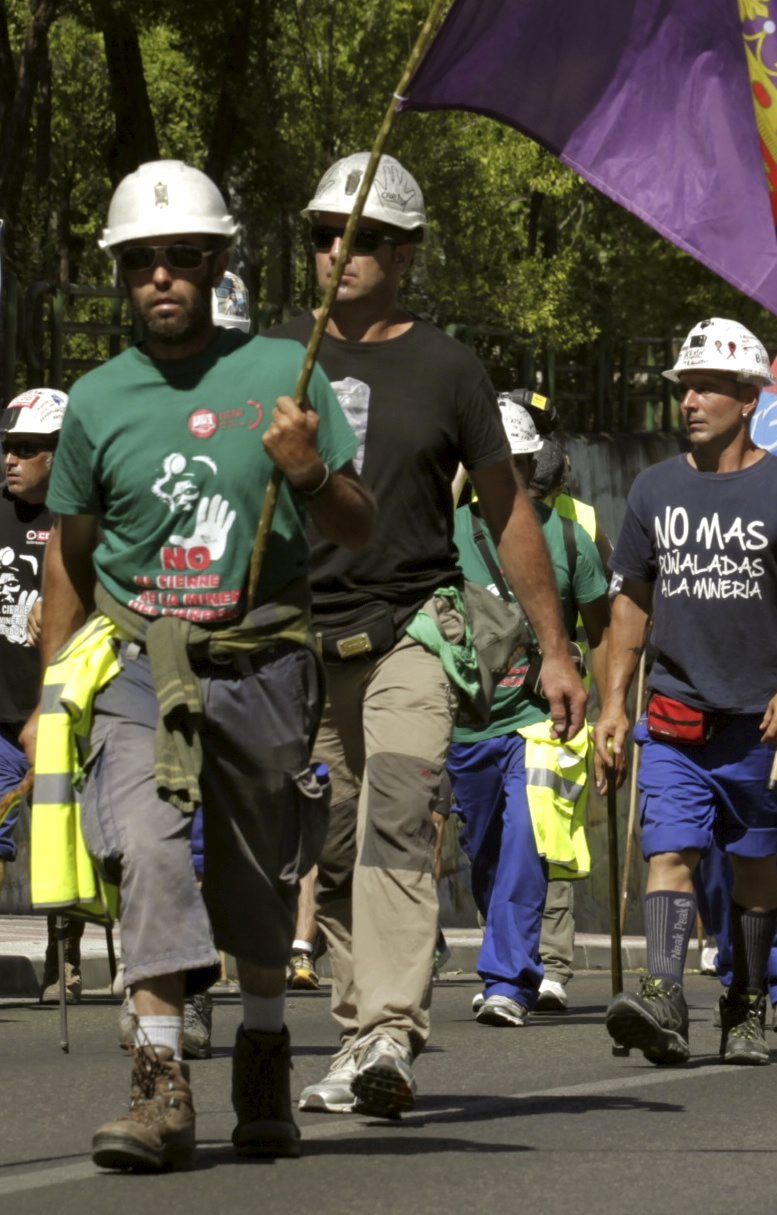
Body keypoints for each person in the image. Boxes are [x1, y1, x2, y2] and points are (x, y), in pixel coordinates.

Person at [33, 159, 373, 1170]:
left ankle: (263, 1053)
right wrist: (56, 684)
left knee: (259, 878)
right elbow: (73, 551)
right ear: (122, 276)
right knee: (142, 845)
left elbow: (355, 529)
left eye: (184, 258)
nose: (163, 277)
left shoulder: (284, 372)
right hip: (145, 665)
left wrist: (310, 475)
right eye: (143, 262)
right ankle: (158, 1086)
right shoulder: (96, 401)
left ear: (219, 262)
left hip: (265, 663)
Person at [277, 153, 584, 1118]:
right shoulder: (276, 357)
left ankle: (392, 1029)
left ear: (404, 253)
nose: (339, 252)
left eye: (363, 237)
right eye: (324, 235)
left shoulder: (449, 367)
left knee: (400, 815)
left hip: (413, 630)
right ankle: (355, 1026)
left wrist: (558, 647)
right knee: (329, 854)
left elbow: (509, 512)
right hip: (298, 642)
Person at [598, 317, 777, 1066]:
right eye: (684, 386)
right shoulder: (654, 488)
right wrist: (611, 702)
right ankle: (663, 994)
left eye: (707, 387)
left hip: (759, 726)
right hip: (672, 717)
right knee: (673, 854)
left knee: (755, 871)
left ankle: (747, 1003)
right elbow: (630, 600)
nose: (689, 399)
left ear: (749, 396)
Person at [448, 400, 610, 1026]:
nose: (505, 472)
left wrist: (609, 711)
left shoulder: (570, 536)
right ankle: (509, 951)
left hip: (540, 726)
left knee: (525, 840)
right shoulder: (448, 533)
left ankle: (508, 979)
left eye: (514, 462)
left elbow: (601, 631)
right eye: (492, 461)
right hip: (467, 722)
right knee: (483, 847)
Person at [0, 389, 74, 997]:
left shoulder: (82, 519)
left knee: (59, 837)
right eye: (8, 448)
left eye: (28, 450)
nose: (12, 460)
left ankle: (65, 950)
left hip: (59, 707)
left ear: (59, 454)